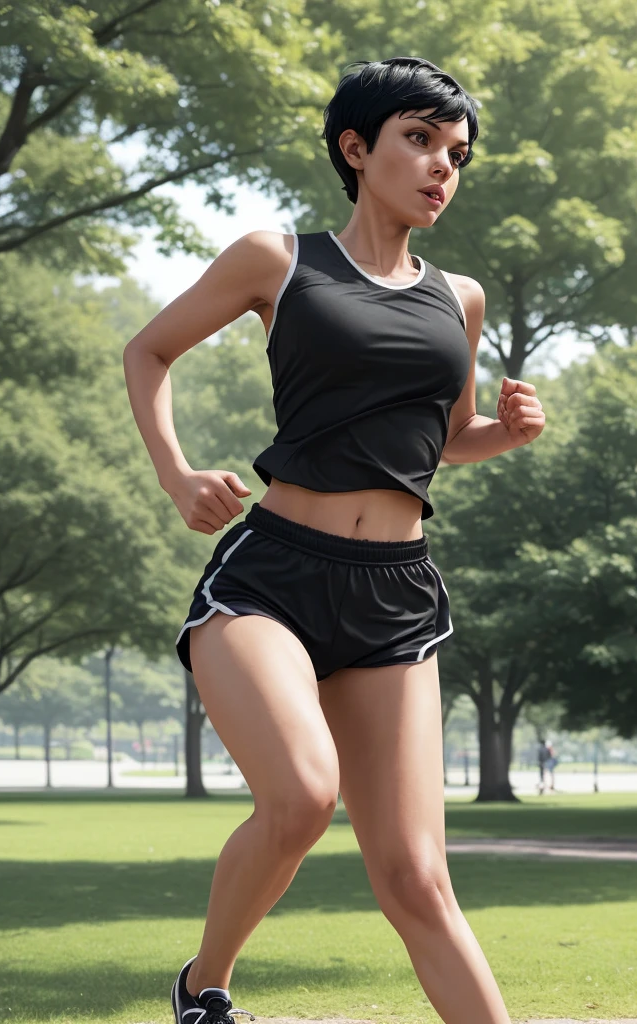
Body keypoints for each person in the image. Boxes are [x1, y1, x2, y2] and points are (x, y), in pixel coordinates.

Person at [123, 56, 546, 1024]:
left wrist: (506, 435)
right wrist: (177, 472)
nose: (443, 166)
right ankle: (205, 984)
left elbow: (439, 440)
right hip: (271, 578)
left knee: (416, 877)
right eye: (420, 140)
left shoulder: (461, 298)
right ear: (356, 149)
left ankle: (198, 992)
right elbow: (147, 349)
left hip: (395, 594)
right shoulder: (278, 260)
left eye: (457, 154)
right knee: (305, 795)